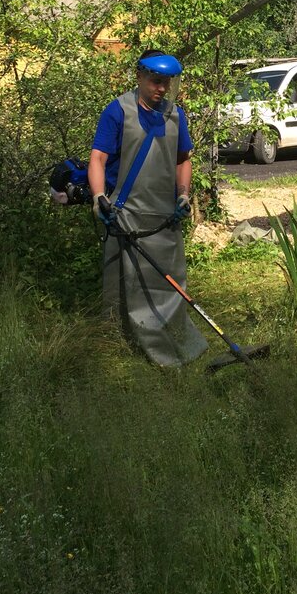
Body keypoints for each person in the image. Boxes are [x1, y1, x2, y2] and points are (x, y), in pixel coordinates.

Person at [88, 49, 208, 367]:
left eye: (167, 82)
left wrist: (183, 196)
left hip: (165, 216)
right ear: (139, 76)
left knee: (170, 280)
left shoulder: (175, 116)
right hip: (124, 214)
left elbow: (183, 160)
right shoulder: (118, 111)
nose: (162, 88)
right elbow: (98, 158)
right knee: (124, 283)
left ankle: (172, 336)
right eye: (156, 81)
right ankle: (120, 341)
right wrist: (98, 197)